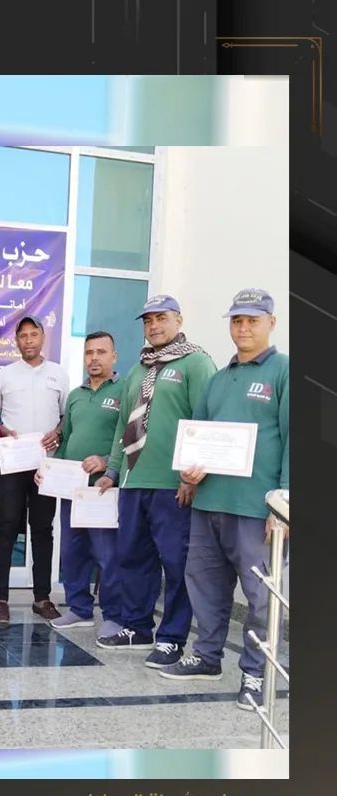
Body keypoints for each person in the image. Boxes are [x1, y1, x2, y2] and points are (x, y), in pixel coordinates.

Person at [159, 289, 289, 711]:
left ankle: (256, 673)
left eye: (252, 320)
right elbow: (197, 433)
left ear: (271, 323)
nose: (243, 328)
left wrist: (284, 505)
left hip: (256, 508)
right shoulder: (218, 379)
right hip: (209, 504)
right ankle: (207, 656)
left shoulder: (284, 372)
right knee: (205, 586)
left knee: (260, 597)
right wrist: (188, 476)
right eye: (237, 320)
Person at [95, 295, 216, 668]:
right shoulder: (139, 368)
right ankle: (137, 626)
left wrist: (191, 476)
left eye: (161, 318)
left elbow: (205, 420)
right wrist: (113, 470)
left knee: (176, 563)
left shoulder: (196, 363)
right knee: (133, 558)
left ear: (179, 319)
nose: (154, 326)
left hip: (172, 484)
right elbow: (124, 425)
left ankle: (172, 639)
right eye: (148, 320)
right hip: (134, 482)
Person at [0, 315, 70, 624]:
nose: (29, 340)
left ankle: (42, 598)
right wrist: (3, 431)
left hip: (45, 464)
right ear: (17, 341)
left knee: (43, 528)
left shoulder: (58, 374)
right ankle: (0, 599)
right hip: (13, 462)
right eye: (23, 336)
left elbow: (67, 416)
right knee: (6, 526)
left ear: (42, 337)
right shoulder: (4, 375)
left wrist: (58, 432)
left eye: (34, 334)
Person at [42, 331, 124, 637]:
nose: (94, 358)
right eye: (89, 352)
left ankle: (113, 614)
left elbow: (130, 438)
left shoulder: (125, 390)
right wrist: (51, 472)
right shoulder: (75, 395)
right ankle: (79, 609)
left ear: (114, 356)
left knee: (107, 554)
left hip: (104, 488)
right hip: (73, 489)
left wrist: (106, 461)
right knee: (72, 550)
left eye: (101, 352)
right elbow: (66, 440)